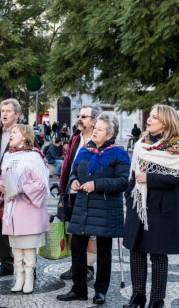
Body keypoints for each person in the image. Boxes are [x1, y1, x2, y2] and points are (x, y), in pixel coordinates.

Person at [57, 113, 130, 305]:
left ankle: (100, 291)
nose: (95, 131)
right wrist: (73, 182)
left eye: (99, 129)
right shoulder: (85, 150)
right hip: (83, 207)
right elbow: (74, 172)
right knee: (77, 248)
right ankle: (79, 288)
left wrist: (96, 184)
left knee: (104, 252)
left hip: (106, 209)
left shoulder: (119, 154)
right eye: (95, 128)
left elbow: (123, 182)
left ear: (109, 134)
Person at [123, 105, 179, 308]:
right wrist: (129, 193)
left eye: (154, 117)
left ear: (166, 122)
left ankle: (156, 301)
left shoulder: (178, 146)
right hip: (139, 205)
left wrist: (150, 178)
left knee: (158, 255)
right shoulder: (142, 143)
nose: (149, 120)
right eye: (149, 116)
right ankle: (138, 297)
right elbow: (133, 171)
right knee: (136, 251)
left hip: (162, 207)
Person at [0, 124, 50, 294]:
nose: (10, 135)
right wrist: (1, 187)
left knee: (29, 248)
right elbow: (1, 179)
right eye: (10, 133)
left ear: (25, 136)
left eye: (14, 132)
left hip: (28, 208)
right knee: (17, 248)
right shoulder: (8, 156)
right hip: (12, 209)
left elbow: (41, 183)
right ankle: (19, 278)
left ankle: (29, 278)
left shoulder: (34, 157)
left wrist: (22, 188)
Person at [0, 98, 37, 278]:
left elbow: (35, 160)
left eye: (8, 111)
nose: (4, 114)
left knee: (23, 230)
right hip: (0, 191)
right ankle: (6, 263)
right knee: (1, 228)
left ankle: (29, 268)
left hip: (21, 192)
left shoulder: (27, 133)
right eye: (2, 110)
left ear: (17, 115)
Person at [58, 105, 101, 281]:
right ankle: (75, 265)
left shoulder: (99, 140)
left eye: (84, 116)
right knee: (71, 229)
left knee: (89, 232)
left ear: (94, 121)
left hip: (90, 193)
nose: (79, 119)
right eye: (79, 115)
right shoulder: (75, 138)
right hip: (71, 190)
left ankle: (88, 266)